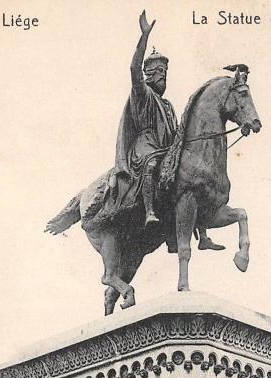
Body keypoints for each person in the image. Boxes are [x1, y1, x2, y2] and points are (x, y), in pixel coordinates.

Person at [109, 10, 223, 250]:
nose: (163, 77)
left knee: (192, 176)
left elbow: (175, 132)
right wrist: (144, 38)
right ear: (150, 75)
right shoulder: (142, 95)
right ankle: (150, 211)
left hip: (166, 148)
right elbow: (133, 69)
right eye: (160, 73)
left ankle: (202, 234)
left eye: (165, 73)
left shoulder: (168, 104)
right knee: (151, 166)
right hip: (146, 148)